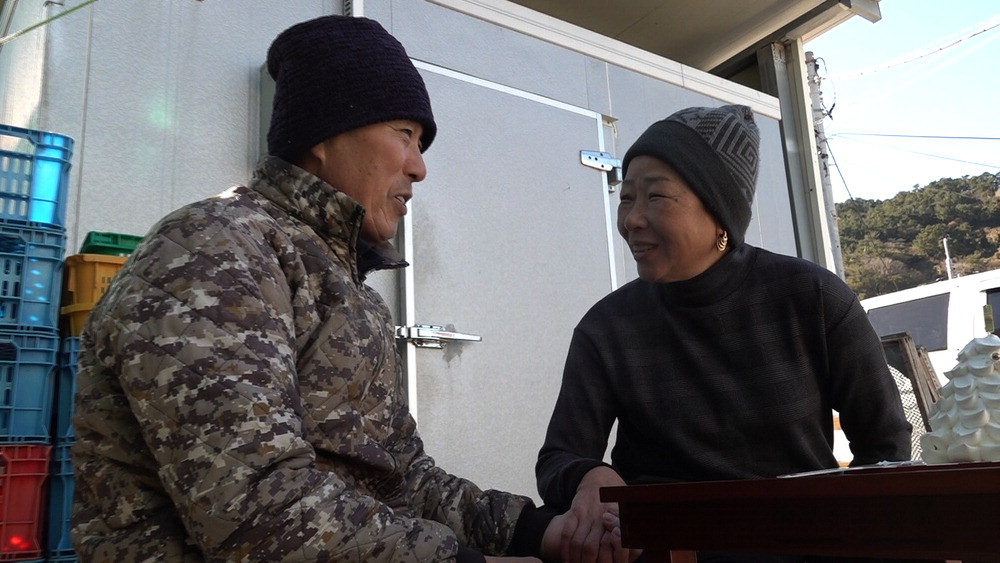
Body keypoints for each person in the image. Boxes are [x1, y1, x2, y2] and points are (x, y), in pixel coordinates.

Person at [71, 15, 565, 562]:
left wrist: (539, 533)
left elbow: (402, 475)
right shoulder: (215, 249)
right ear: (323, 137)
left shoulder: (350, 293)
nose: (419, 168)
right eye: (404, 135)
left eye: (421, 144)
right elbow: (254, 510)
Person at [535, 105, 912, 563]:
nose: (631, 219)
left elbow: (885, 446)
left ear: (720, 211)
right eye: (626, 197)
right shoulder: (607, 327)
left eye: (656, 197)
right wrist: (589, 475)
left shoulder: (811, 298)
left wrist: (854, 538)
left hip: (797, 544)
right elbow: (558, 457)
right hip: (664, 550)